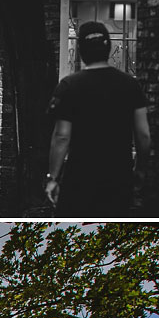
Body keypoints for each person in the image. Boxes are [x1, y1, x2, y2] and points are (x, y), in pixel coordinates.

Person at [45, 20, 151, 216]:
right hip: (119, 177)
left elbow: (62, 137)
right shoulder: (130, 85)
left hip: (79, 177)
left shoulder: (69, 86)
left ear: (81, 50)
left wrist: (53, 177)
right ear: (108, 47)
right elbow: (143, 135)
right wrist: (141, 169)